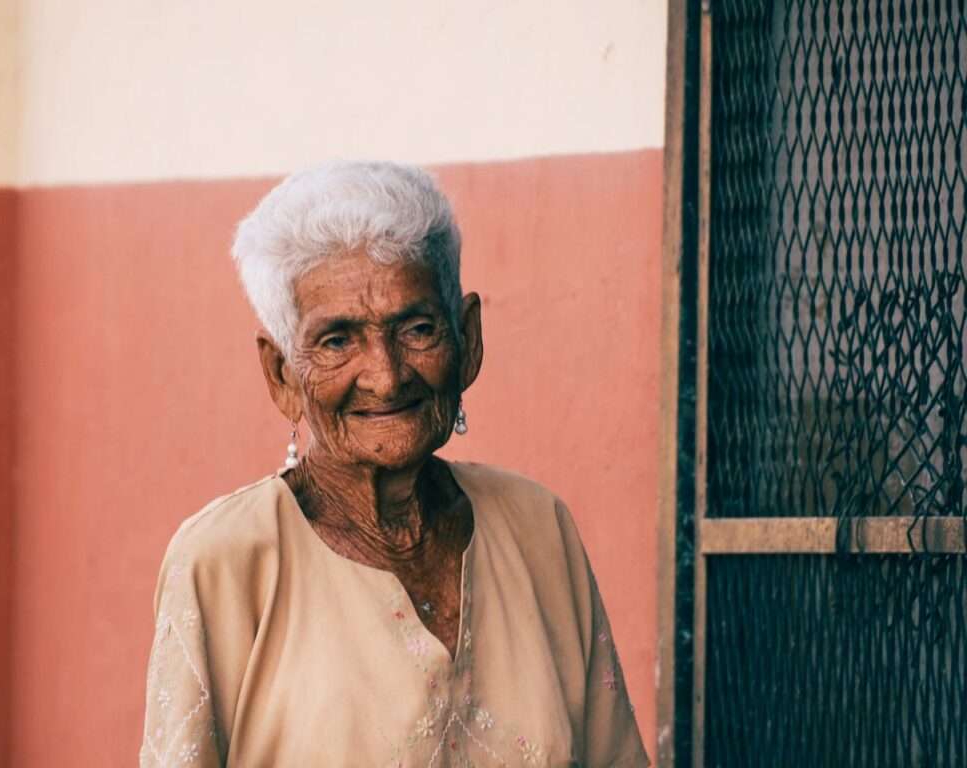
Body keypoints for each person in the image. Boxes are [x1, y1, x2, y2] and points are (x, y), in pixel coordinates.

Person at [139, 162, 649, 767]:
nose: (385, 375)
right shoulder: (223, 562)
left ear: (468, 340)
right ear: (281, 375)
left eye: (417, 328)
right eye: (337, 341)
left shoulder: (540, 527)